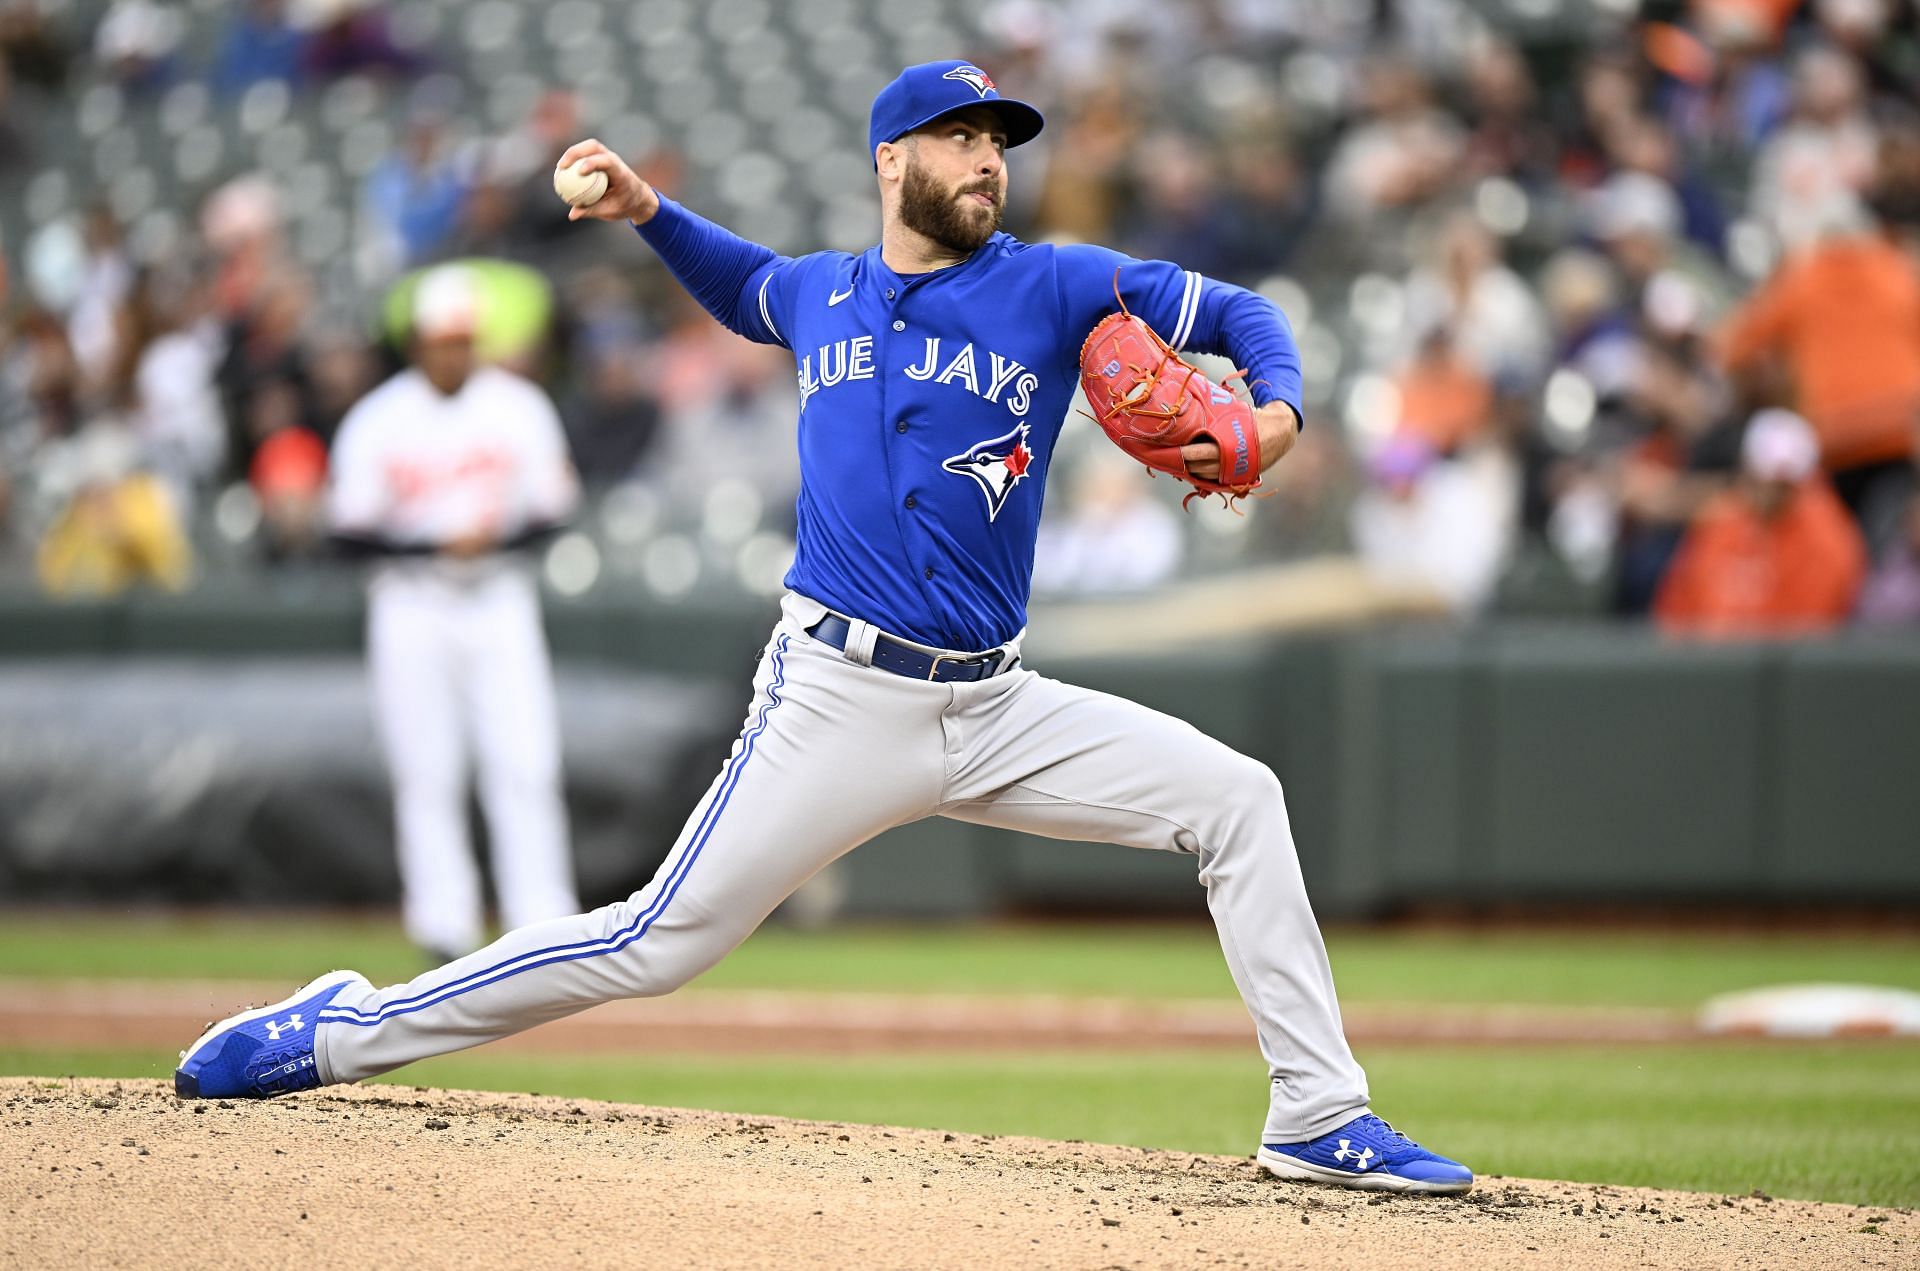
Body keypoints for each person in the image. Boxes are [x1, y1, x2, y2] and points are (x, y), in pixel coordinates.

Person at [175, 61, 1473, 1196]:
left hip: (999, 702)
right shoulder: (821, 295)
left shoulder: (1062, 284)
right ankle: (340, 1030)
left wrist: (1283, 408)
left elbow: (1243, 316)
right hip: (839, 699)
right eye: (962, 139)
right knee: (650, 941)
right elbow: (741, 280)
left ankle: (1318, 1110)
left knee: (1237, 797)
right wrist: (645, 212)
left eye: (1001, 143)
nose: (987, 162)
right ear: (891, 160)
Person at [324, 265, 582, 963]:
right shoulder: (380, 418)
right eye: (441, 340)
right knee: (425, 767)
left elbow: (554, 512)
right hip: (411, 602)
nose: (453, 352)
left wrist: (486, 541)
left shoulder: (518, 406)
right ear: (416, 343)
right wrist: (438, 543)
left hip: (498, 597)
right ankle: (444, 924)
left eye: (463, 339)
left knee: (524, 760)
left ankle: (542, 920)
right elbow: (344, 534)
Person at [1654, 409, 1868, 636]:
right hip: (1710, 663)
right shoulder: (1722, 525)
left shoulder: (1828, 537)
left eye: (1784, 484)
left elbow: (1813, 626)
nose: (1771, 491)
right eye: (1765, 479)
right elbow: (1677, 608)